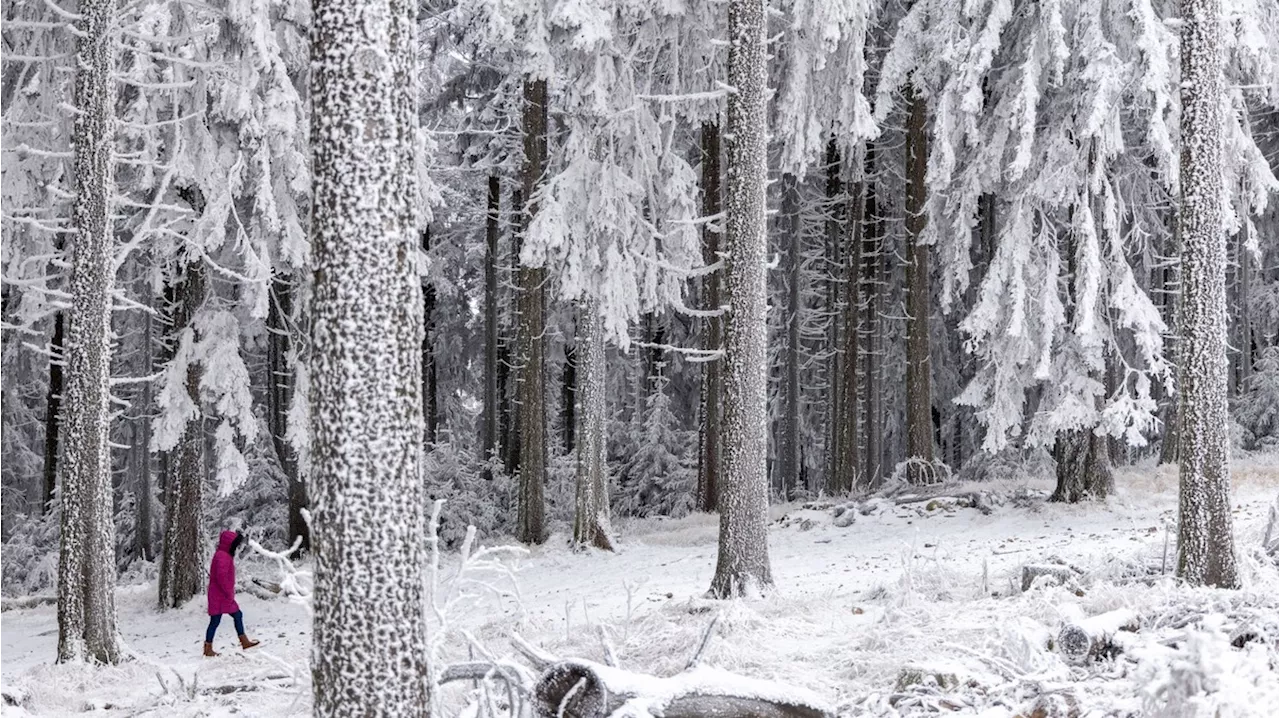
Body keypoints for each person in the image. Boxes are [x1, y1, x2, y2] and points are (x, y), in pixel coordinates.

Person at [203, 530, 260, 657]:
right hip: (221, 594)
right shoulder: (223, 556)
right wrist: (229, 592)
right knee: (217, 620)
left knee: (234, 615)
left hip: (220, 594)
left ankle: (242, 641)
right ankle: (208, 647)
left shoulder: (222, 555)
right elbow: (222, 577)